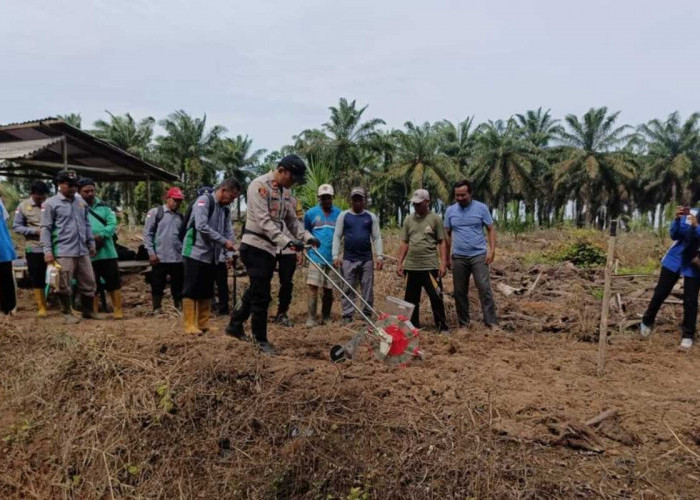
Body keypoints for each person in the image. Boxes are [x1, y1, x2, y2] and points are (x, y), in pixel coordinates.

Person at [226, 154, 318, 354]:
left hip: (269, 248)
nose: (293, 183)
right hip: (255, 245)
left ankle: (235, 324)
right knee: (262, 295)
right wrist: (288, 242)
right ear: (282, 170)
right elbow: (264, 221)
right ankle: (260, 340)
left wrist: (307, 237)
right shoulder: (259, 186)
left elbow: (292, 220)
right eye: (292, 178)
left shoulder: (285, 193)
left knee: (256, 289)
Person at [40, 169, 99, 324]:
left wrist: (91, 242)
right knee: (63, 283)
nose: (73, 188)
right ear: (60, 185)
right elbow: (45, 228)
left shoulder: (80, 202)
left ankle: (88, 311)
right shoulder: (50, 204)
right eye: (69, 185)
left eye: (75, 185)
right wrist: (47, 251)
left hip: (82, 249)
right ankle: (66, 313)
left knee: (89, 281)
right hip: (63, 250)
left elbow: (86, 224)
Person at [181, 179, 240, 335]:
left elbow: (228, 232)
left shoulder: (225, 210)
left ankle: (203, 323)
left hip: (211, 255)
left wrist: (229, 253)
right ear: (223, 190)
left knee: (206, 290)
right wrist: (224, 242)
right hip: (194, 251)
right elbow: (201, 226)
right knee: (191, 288)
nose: (232, 201)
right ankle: (189, 325)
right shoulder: (204, 201)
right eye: (231, 197)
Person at [640, 205, 700, 350]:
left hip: (695, 263)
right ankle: (647, 320)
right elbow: (675, 235)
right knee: (661, 292)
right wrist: (677, 220)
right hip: (675, 259)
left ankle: (687, 335)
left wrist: (697, 227)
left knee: (690, 299)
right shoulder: (692, 212)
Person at [444, 180, 498, 329]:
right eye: (457, 196)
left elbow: (490, 229)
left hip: (478, 255)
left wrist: (492, 250)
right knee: (459, 291)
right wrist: (446, 258)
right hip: (459, 256)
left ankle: (491, 322)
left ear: (470, 193)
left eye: (463, 195)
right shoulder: (450, 211)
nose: (460, 198)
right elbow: (446, 235)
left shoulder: (481, 208)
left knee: (484, 288)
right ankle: (464, 324)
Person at [396, 189, 449, 333]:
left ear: (427, 202)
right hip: (412, 266)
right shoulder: (408, 219)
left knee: (436, 297)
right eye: (414, 204)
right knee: (411, 300)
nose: (416, 206)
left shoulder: (435, 219)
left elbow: (442, 242)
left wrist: (443, 264)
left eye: (419, 204)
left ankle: (442, 326)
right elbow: (405, 242)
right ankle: (413, 327)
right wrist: (400, 262)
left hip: (429, 266)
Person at [332, 187, 383, 324]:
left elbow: (377, 237)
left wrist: (379, 256)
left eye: (360, 199)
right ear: (351, 200)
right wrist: (335, 256)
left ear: (364, 200)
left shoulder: (370, 217)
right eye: (355, 199)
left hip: (366, 259)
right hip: (349, 259)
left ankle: (366, 315)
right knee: (348, 287)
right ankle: (347, 315)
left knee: (367, 288)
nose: (357, 202)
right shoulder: (344, 216)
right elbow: (337, 236)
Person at [77, 177, 123, 319]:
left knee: (113, 282)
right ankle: (94, 310)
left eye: (92, 191)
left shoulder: (104, 206)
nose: (90, 194)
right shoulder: (76, 207)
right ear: (80, 192)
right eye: (86, 191)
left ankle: (118, 310)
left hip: (107, 252)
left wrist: (101, 236)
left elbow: (112, 224)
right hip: (87, 253)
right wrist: (88, 238)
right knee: (92, 283)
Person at [304, 184, 341, 327]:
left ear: (332, 198)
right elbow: (305, 232)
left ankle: (326, 317)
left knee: (328, 289)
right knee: (313, 286)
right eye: (323, 198)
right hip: (315, 256)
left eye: (328, 198)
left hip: (332, 257)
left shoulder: (339, 213)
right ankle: (311, 318)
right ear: (319, 198)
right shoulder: (310, 213)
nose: (326, 201)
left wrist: (339, 254)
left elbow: (342, 235)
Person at [143, 187, 185, 311]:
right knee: (157, 284)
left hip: (177, 258)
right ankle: (157, 308)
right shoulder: (156, 213)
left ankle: (178, 308)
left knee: (178, 285)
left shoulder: (180, 217)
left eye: (179, 201)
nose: (176, 203)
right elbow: (148, 234)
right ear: (168, 198)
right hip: (160, 257)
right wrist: (151, 253)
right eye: (174, 200)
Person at [13, 181, 51, 316]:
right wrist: (34, 231)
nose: (41, 199)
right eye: (38, 197)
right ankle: (41, 306)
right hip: (34, 247)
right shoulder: (23, 206)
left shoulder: (50, 204)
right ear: (32, 194)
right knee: (37, 276)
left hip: (53, 246)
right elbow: (16, 227)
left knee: (56, 275)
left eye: (43, 196)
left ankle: (60, 303)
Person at [272, 194, 303, 327]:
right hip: (270, 247)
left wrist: (299, 249)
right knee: (261, 281)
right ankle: (259, 312)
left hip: (289, 249)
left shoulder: (295, 201)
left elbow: (299, 224)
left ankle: (282, 313)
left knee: (286, 283)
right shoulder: (269, 199)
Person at [0, 194, 17, 315]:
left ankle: (7, 309)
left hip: (3, 248)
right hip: (4, 248)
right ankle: (7, 309)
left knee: (5, 281)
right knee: (5, 281)